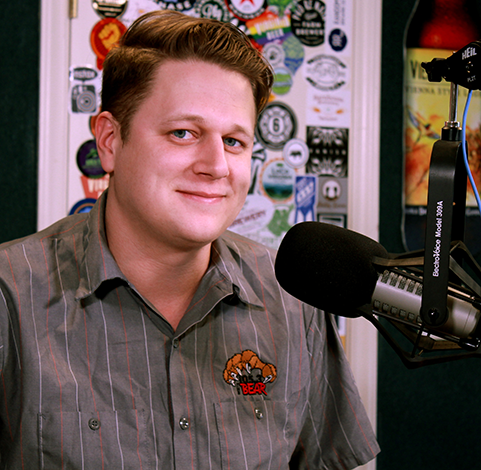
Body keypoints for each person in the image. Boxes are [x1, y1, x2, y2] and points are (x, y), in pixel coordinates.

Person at [0, 10, 379, 469]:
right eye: (183, 133)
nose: (216, 166)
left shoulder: (293, 301)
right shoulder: (10, 298)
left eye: (234, 141)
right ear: (110, 141)